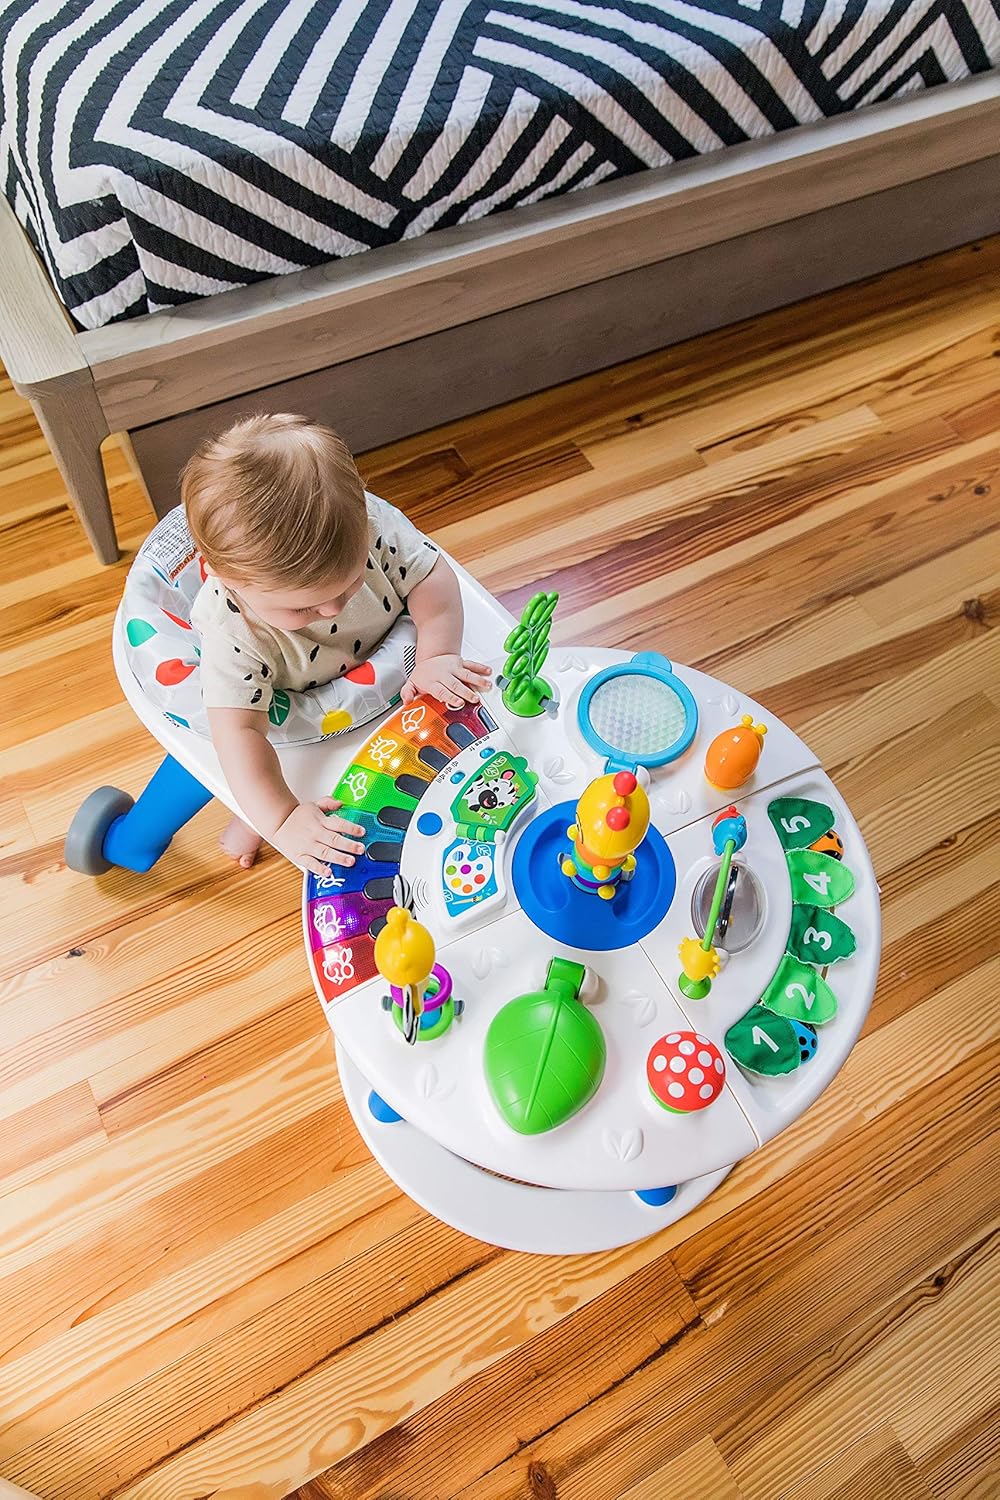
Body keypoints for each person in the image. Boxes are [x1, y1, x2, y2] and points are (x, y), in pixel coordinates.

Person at [184, 413, 491, 874]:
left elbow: (431, 576)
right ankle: (252, 816)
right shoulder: (232, 629)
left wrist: (438, 654)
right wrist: (282, 819)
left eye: (349, 585)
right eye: (303, 608)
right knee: (265, 784)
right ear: (227, 578)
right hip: (304, 723)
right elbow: (239, 735)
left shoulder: (368, 525)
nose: (332, 610)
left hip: (407, 676)